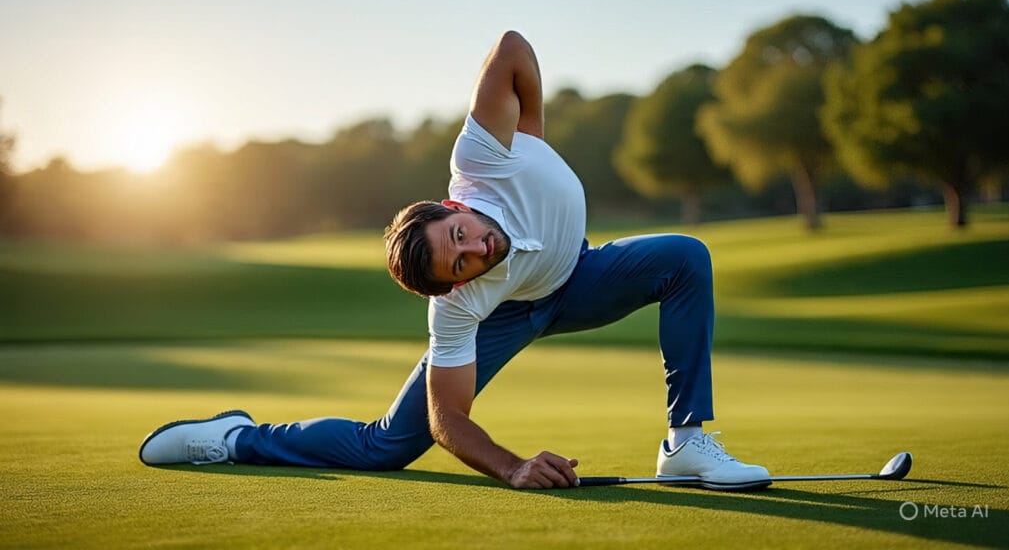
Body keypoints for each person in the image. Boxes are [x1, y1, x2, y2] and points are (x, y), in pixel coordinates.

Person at [139, 31, 770, 491]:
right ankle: (232, 438)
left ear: (452, 206)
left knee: (684, 258)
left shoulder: (483, 158)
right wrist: (512, 466)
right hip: (510, 312)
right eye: (460, 264)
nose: (476, 250)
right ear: (452, 285)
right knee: (385, 446)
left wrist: (532, 136)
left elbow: (512, 48)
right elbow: (448, 418)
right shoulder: (460, 303)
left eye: (460, 235)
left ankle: (686, 445)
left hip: (577, 279)